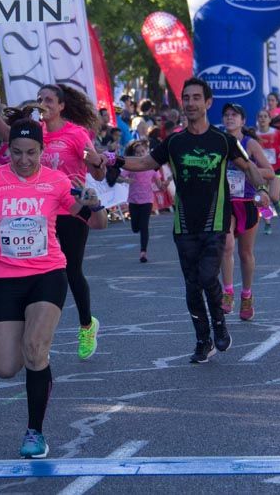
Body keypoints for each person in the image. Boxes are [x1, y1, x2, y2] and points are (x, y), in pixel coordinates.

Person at [0, 119, 102, 458]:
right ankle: (38, 364)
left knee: (34, 349)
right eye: (16, 153)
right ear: (8, 152)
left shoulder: (56, 182)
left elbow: (96, 221)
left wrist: (94, 202)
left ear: (42, 152)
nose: (23, 160)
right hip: (6, 279)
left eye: (31, 153)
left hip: (47, 273)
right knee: (5, 368)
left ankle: (35, 432)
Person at [105, 78, 269, 364]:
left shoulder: (223, 140)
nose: (190, 103)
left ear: (207, 103)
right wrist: (112, 160)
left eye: (196, 97)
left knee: (207, 276)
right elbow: (145, 164)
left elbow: (250, 168)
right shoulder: (175, 142)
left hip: (216, 222)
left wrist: (264, 190)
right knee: (192, 286)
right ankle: (202, 340)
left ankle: (219, 323)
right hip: (183, 225)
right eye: (186, 97)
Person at [0, 83, 108, 361]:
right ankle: (30, 322)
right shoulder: (36, 134)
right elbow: (10, 137)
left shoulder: (75, 135)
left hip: (69, 209)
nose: (43, 103)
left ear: (61, 105)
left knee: (72, 269)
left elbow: (95, 169)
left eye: (49, 100)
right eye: (40, 99)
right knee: (36, 269)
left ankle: (87, 325)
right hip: (37, 212)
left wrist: (96, 163)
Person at [220, 103, 274, 320]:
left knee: (245, 253)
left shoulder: (250, 144)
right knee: (226, 245)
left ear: (243, 121)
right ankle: (228, 292)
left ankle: (247, 295)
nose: (230, 118)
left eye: (234, 115)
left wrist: (246, 168)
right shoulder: (218, 141)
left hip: (248, 202)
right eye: (226, 115)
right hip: (225, 202)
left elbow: (269, 172)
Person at [116, 139, 159, 263]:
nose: (140, 154)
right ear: (134, 155)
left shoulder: (152, 168)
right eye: (138, 153)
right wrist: (125, 180)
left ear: (147, 152)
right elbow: (119, 178)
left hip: (147, 200)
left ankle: (143, 252)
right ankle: (137, 228)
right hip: (134, 201)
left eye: (143, 152)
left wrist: (164, 184)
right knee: (135, 228)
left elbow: (160, 184)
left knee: (144, 226)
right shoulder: (133, 167)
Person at [255, 109, 280, 232]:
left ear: (269, 119)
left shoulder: (276, 133)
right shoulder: (254, 135)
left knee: (273, 195)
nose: (262, 119)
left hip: (276, 168)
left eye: (265, 116)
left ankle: (277, 202)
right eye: (260, 116)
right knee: (262, 196)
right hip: (261, 170)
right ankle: (268, 223)